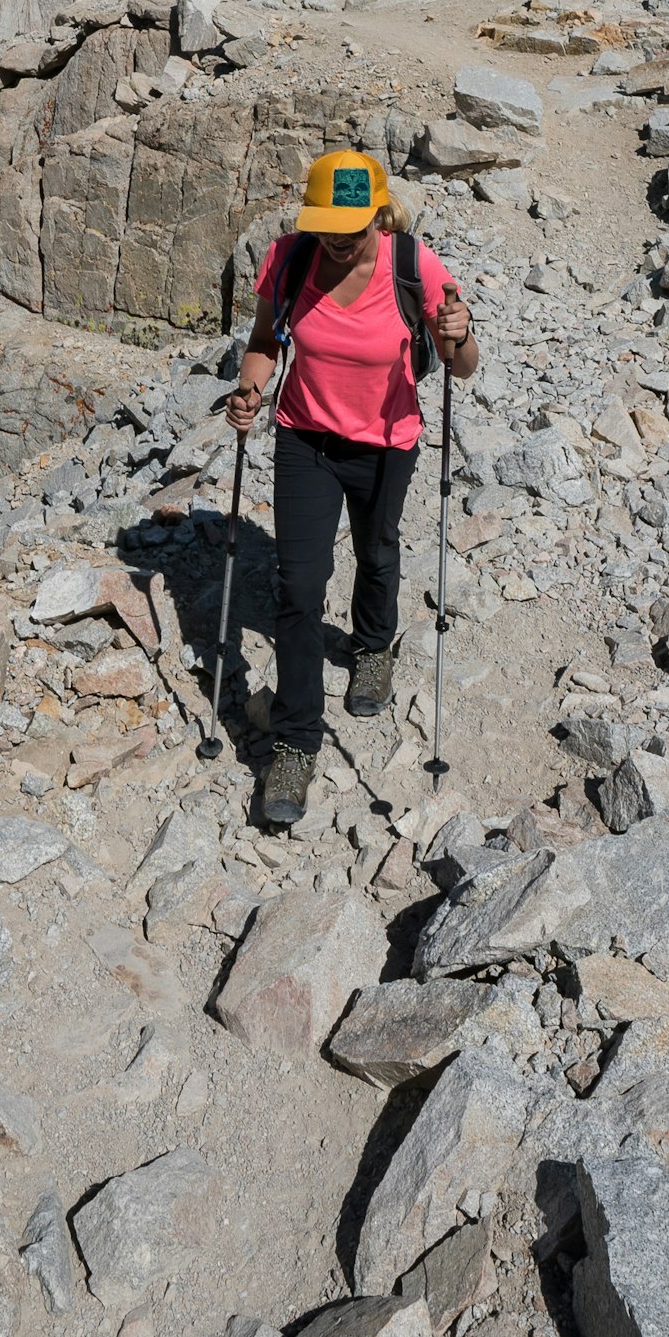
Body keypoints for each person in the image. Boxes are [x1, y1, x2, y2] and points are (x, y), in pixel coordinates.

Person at [224, 148, 479, 830]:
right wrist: (249, 390)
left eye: (350, 230)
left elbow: (463, 366)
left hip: (385, 442)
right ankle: (294, 743)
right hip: (304, 438)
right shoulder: (290, 259)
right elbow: (266, 341)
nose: (336, 242)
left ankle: (372, 646)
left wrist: (457, 334)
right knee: (299, 588)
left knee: (377, 549)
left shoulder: (411, 266)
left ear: (377, 217)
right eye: (326, 229)